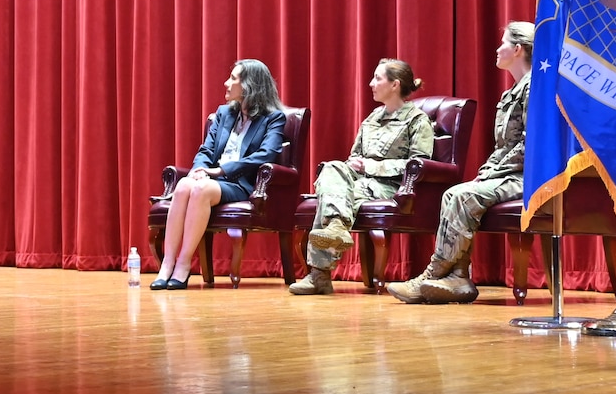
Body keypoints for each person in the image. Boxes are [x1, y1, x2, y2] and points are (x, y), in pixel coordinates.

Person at [387, 23, 534, 305]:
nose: (497, 48)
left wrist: (493, 172)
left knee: (460, 195)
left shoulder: (534, 89)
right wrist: (486, 172)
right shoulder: (511, 93)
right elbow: (502, 147)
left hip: (529, 176)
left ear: (517, 49)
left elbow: (532, 145)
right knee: (461, 191)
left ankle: (433, 274)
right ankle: (458, 278)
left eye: (502, 43)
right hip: (509, 173)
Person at [289, 59, 435, 296]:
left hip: (390, 186)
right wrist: (354, 166)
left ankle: (319, 275)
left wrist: (371, 166)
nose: (371, 83)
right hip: (360, 180)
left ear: (395, 84)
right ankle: (336, 227)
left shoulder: (416, 120)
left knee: (330, 197)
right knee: (332, 167)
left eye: (378, 78)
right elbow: (354, 156)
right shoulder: (372, 118)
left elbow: (418, 164)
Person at [152, 60, 288, 289]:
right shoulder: (224, 113)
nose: (226, 83)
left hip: (242, 184)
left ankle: (184, 264)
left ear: (249, 85)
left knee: (200, 189)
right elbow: (206, 149)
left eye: (233, 78)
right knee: (185, 185)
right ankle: (167, 263)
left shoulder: (273, 118)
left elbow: (266, 155)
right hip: (213, 179)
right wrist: (198, 169)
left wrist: (221, 170)